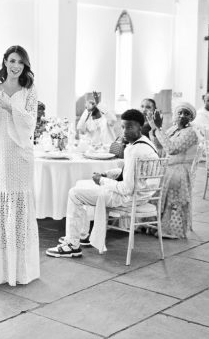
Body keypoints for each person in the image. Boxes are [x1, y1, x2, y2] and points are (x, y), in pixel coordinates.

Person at [46, 109, 159, 257]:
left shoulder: (134, 150)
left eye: (129, 127)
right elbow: (135, 175)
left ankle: (71, 244)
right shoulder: (146, 144)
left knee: (74, 193)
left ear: (140, 127)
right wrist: (109, 174)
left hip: (129, 198)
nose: (124, 131)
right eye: (123, 126)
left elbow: (126, 188)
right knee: (81, 183)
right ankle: (82, 235)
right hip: (143, 194)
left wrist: (102, 181)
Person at [0, 45, 40, 285]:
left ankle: (21, 269)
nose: (15, 66)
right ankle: (0, 269)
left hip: (21, 154)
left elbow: (30, 122)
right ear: (4, 61)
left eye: (20, 63)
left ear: (25, 66)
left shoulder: (29, 89)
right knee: (1, 208)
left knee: (20, 209)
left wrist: (9, 106)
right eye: (12, 61)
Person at [147, 102, 199, 239]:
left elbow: (172, 149)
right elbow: (159, 145)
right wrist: (155, 127)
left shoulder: (191, 133)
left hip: (179, 170)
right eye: (180, 113)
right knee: (150, 184)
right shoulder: (173, 129)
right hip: (168, 167)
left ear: (191, 118)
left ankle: (169, 229)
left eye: (186, 114)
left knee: (163, 184)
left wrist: (158, 128)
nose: (182, 116)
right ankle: (152, 224)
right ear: (175, 115)